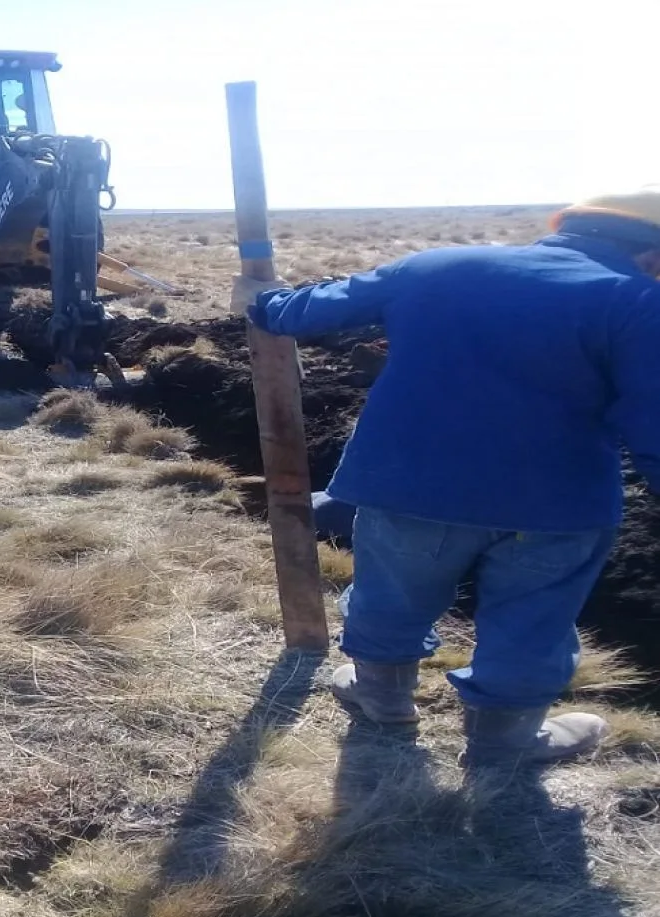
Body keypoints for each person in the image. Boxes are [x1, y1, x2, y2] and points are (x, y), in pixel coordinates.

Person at [232, 191, 660, 768]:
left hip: (409, 487)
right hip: (555, 504)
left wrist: (265, 302)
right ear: (652, 256)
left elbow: (308, 310)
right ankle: (504, 741)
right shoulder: (638, 301)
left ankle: (381, 698)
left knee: (392, 597)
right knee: (532, 621)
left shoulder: (435, 266)